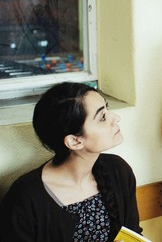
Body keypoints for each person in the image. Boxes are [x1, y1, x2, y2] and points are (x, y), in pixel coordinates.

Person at [0, 82, 142, 241]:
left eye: (107, 109)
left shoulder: (118, 170)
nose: (116, 118)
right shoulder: (25, 198)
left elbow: (133, 234)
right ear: (74, 141)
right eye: (102, 117)